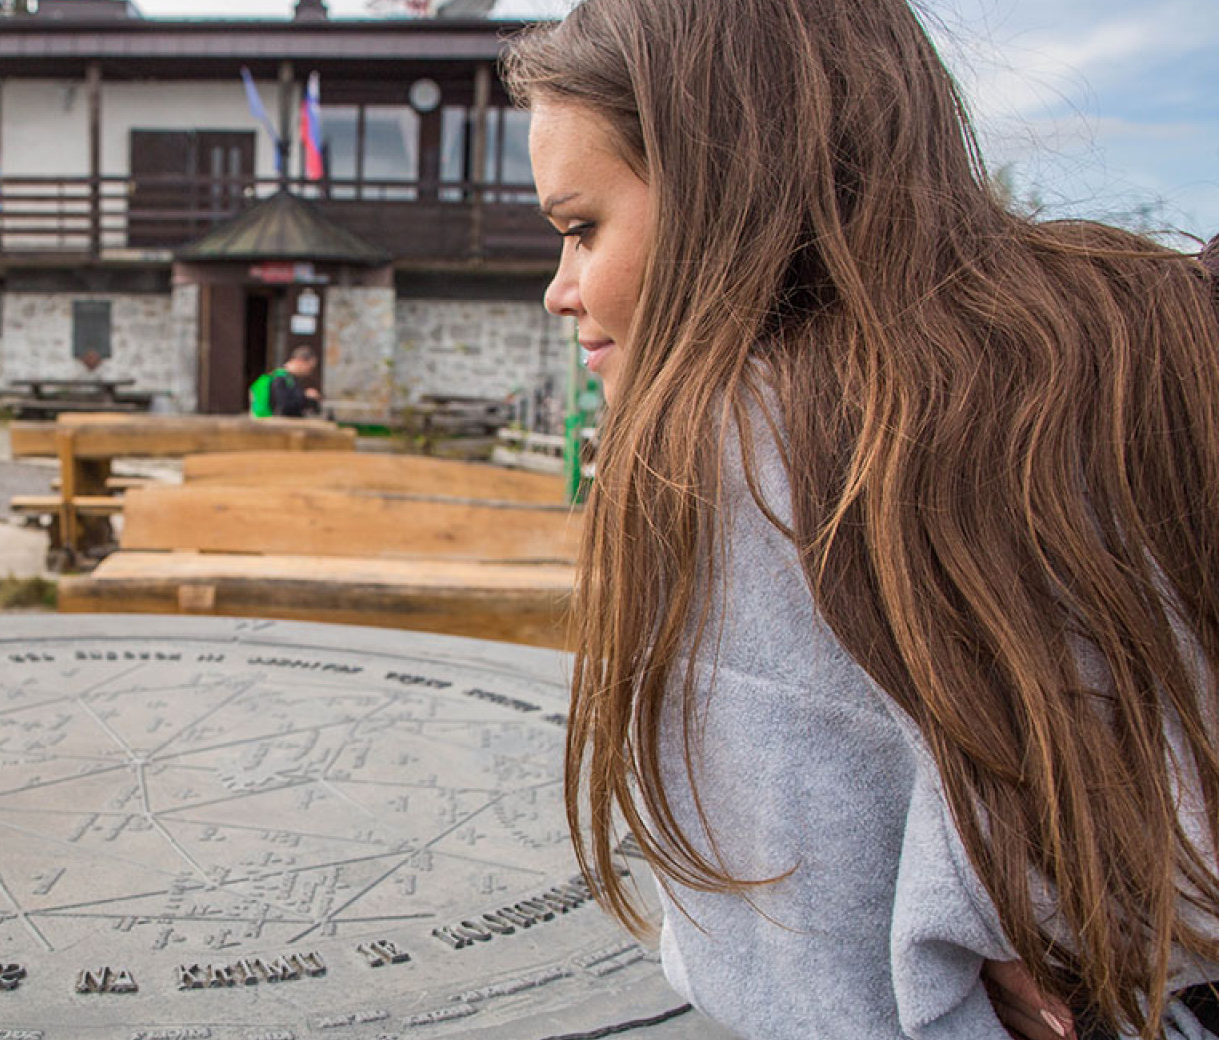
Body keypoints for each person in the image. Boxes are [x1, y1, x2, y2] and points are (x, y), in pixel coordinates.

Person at [504, 1, 1219, 1038]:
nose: (560, 291)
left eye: (581, 227)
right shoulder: (1142, 344)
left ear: (725, 189)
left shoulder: (731, 450)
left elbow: (803, 972)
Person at [249, 345, 323, 418]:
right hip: (277, 425)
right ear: (300, 361)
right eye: (310, 367)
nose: (309, 372)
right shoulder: (280, 379)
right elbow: (285, 407)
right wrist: (305, 396)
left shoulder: (290, 379)